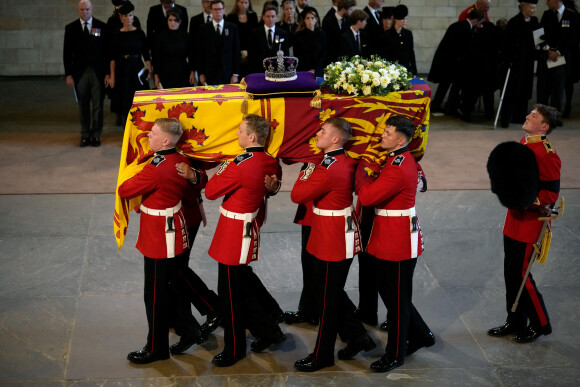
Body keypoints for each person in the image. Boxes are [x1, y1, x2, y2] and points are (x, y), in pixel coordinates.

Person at [118, 118, 205, 364]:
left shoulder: (156, 167)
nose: (148, 136)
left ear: (165, 141)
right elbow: (197, 184)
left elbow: (125, 190)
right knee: (170, 285)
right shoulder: (180, 160)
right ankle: (189, 329)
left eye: (153, 133)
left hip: (160, 235)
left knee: (154, 295)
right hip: (172, 229)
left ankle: (156, 348)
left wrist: (132, 169)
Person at [291, 117, 374, 372]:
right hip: (327, 232)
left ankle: (322, 354)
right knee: (327, 290)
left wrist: (308, 172)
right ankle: (358, 337)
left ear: (336, 139)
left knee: (327, 298)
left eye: (323, 131)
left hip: (333, 236)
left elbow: (297, 194)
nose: (317, 134)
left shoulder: (328, 168)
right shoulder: (341, 161)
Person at [205, 114, 286, 367]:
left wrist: (225, 167)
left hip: (233, 230)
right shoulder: (270, 161)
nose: (237, 135)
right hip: (246, 226)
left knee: (230, 294)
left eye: (240, 131)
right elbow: (273, 185)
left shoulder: (239, 164)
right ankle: (270, 327)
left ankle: (235, 348)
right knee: (239, 284)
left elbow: (210, 192)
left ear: (252, 137)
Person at [356, 115, 434, 373]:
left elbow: (367, 197)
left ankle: (395, 354)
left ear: (400, 140)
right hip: (389, 234)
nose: (382, 135)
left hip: (398, 239)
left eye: (387, 133)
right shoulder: (395, 158)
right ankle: (421, 334)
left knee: (397, 302)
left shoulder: (398, 165)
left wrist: (362, 175)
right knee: (392, 295)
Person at [488, 104, 562, 343]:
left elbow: (550, 194)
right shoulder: (525, 143)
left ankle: (540, 323)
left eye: (534, 115)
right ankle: (515, 320)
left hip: (530, 223)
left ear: (544, 126)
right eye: (529, 112)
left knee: (521, 275)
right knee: (511, 274)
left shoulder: (546, 153)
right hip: (514, 220)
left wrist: (523, 201)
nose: (527, 116)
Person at [64, 0, 110, 147]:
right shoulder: (71, 28)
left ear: (93, 9)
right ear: (78, 10)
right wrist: (68, 74)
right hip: (79, 73)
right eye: (82, 9)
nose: (85, 12)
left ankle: (96, 134)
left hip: (97, 72)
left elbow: (107, 52)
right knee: (83, 104)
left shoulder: (101, 26)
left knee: (98, 105)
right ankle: (85, 134)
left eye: (88, 9)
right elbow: (66, 53)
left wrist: (108, 73)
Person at [428, 9, 484, 114]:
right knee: (454, 87)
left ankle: (436, 106)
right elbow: (463, 49)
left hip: (447, 62)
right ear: (476, 20)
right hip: (454, 64)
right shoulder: (466, 29)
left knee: (444, 86)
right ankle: (449, 108)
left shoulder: (457, 25)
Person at [107, 1, 152, 126]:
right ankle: (127, 127)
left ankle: (139, 125)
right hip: (122, 69)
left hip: (137, 68)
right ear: (121, 18)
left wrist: (150, 70)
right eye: (125, 16)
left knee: (138, 98)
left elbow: (146, 54)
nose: (128, 18)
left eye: (131, 15)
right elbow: (113, 58)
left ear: (134, 17)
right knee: (124, 99)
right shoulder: (116, 35)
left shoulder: (140, 33)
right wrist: (112, 76)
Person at [499, 1, 540, 128]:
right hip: (515, 62)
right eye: (532, 8)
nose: (534, 10)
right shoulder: (514, 22)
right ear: (524, 7)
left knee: (525, 90)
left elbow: (538, 38)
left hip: (528, 62)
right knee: (512, 90)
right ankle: (506, 117)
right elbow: (507, 43)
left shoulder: (534, 21)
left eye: (535, 8)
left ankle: (520, 116)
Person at [537, 0, 579, 113]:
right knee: (543, 87)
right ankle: (542, 114)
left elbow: (573, 38)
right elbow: (540, 34)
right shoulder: (547, 15)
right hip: (547, 55)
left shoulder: (572, 16)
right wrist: (548, 49)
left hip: (563, 58)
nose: (546, 2)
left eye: (548, 0)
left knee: (558, 88)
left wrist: (559, 52)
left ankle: (553, 115)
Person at [196, 0, 241, 86]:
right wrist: (200, 73)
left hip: (227, 73)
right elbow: (199, 53)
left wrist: (235, 74)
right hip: (209, 73)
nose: (218, 12)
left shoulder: (232, 28)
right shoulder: (203, 29)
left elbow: (236, 52)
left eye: (220, 9)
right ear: (211, 11)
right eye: (215, 9)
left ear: (224, 10)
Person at [153, 9, 195, 89]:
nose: (172, 23)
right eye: (170, 20)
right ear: (167, 21)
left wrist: (192, 72)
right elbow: (156, 57)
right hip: (165, 72)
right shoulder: (161, 37)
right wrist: (156, 75)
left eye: (175, 20)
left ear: (180, 21)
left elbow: (191, 55)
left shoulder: (186, 36)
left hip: (182, 71)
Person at [247, 5, 291, 74]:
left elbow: (286, 54)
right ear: (263, 17)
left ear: (276, 17)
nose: (270, 19)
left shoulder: (283, 33)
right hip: (259, 71)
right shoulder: (255, 33)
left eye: (273, 16)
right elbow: (251, 55)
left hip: (278, 72)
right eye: (268, 16)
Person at [380, 4, 417, 76]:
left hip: (405, 69)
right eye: (402, 19)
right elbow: (383, 54)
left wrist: (414, 70)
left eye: (406, 18)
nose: (404, 21)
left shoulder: (408, 34)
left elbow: (411, 52)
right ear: (396, 19)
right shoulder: (386, 34)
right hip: (391, 70)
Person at [226, 0, 259, 77]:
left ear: (248, 4)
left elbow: (256, 35)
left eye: (246, 3)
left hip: (251, 51)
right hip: (236, 51)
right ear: (237, 3)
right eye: (241, 2)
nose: (244, 5)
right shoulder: (231, 17)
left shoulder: (253, 16)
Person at [293, 7, 327, 77]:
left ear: (316, 20)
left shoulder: (321, 35)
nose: (310, 20)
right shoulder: (298, 35)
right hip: (303, 70)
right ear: (304, 20)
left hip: (318, 70)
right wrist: (308, 70)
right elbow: (297, 55)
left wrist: (315, 69)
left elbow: (323, 54)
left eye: (312, 18)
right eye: (307, 18)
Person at [322, 0, 356, 66]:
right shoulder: (328, 21)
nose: (352, 12)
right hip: (332, 59)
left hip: (346, 59)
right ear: (343, 9)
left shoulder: (349, 20)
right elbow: (327, 42)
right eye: (350, 9)